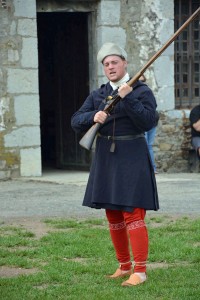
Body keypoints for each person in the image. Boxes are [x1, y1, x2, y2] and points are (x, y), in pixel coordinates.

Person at [71, 42, 159, 287]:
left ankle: (140, 271)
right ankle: (123, 266)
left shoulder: (141, 91)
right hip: (106, 157)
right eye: (106, 64)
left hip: (132, 155)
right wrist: (93, 116)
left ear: (124, 63)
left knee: (133, 212)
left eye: (114, 62)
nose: (110, 67)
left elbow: (148, 122)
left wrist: (127, 98)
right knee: (113, 214)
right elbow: (75, 120)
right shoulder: (97, 95)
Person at [139, 75, 158, 173]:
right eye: (140, 80)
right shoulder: (140, 92)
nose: (142, 82)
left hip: (151, 122)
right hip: (146, 122)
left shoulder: (145, 91)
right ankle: (150, 168)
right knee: (146, 145)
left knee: (148, 145)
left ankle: (152, 168)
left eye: (143, 80)